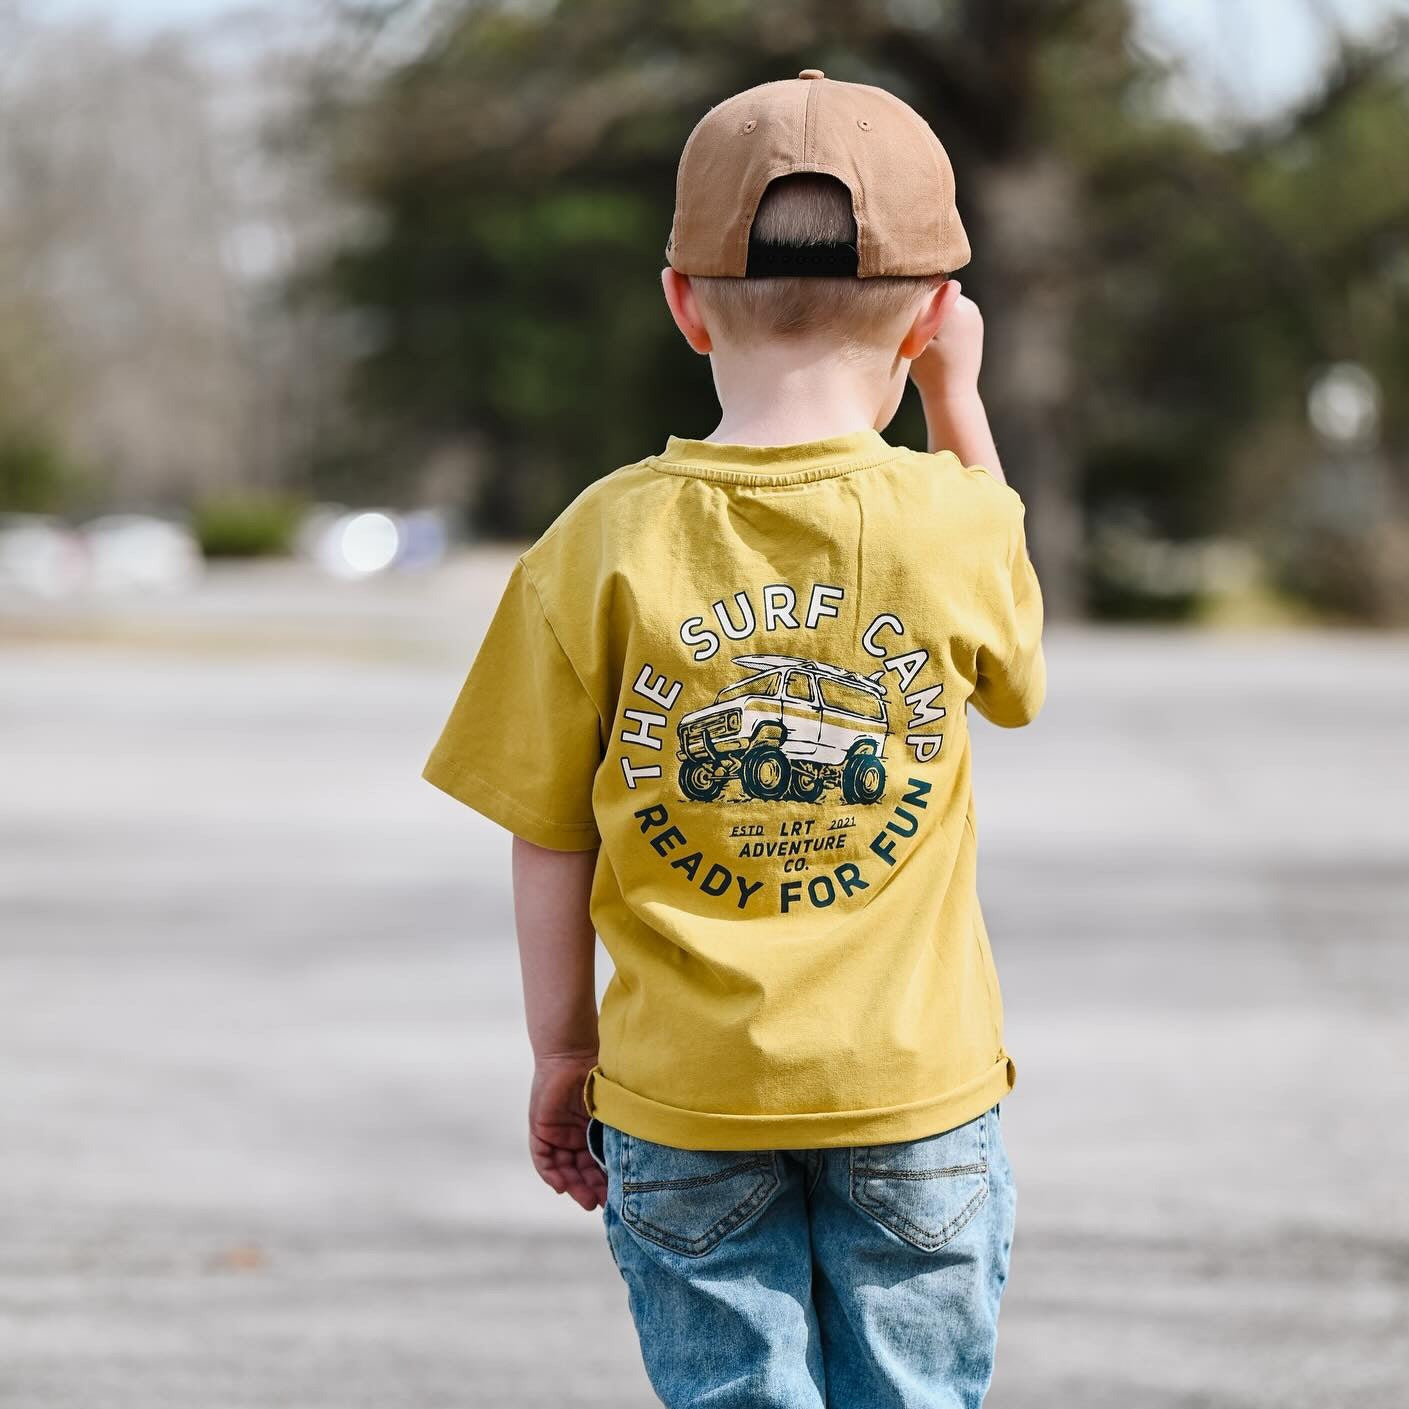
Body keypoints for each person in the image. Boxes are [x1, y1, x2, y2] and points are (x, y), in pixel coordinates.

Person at [424, 68, 1045, 1409]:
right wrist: (956, 404)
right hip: (913, 1091)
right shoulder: (956, 519)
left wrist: (560, 1047)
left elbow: (547, 831)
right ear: (937, 315)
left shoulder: (593, 540)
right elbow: (1016, 676)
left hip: (678, 1096)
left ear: (681, 305)